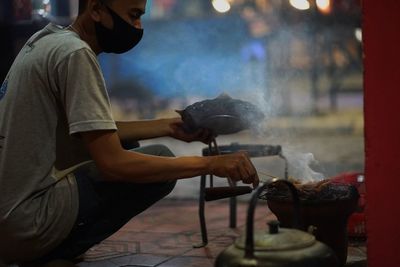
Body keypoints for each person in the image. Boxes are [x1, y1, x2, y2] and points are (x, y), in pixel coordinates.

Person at [0, 0, 259, 266]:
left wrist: (169, 127)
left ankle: (50, 245)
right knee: (156, 158)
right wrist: (211, 164)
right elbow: (113, 165)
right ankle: (55, 250)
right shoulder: (75, 54)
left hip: (8, 223)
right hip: (28, 224)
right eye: (133, 16)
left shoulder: (47, 41)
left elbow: (90, 130)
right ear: (96, 10)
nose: (138, 26)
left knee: (129, 142)